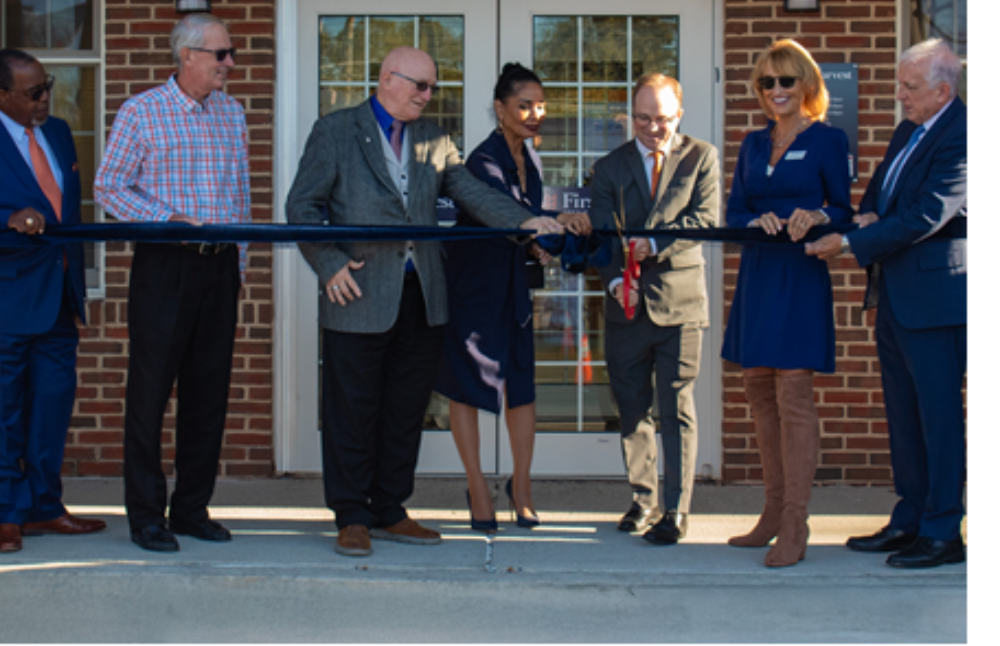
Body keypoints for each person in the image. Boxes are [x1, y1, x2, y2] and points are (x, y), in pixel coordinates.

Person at [285, 47, 563, 557]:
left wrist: (522, 220)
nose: (427, 96)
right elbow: (301, 206)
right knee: (353, 408)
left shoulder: (435, 139)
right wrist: (329, 264)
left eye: (432, 87)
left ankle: (390, 509)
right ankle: (351, 515)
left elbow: (470, 192)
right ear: (387, 78)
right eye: (420, 86)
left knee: (404, 407)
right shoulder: (336, 130)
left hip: (424, 294)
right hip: (359, 290)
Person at [94, 13, 252, 553]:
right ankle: (145, 516)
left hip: (219, 266)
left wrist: (241, 263)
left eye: (229, 54)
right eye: (221, 54)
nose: (230, 64)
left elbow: (240, 195)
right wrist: (165, 220)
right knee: (150, 392)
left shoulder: (232, 114)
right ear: (188, 55)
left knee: (209, 395)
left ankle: (190, 509)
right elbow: (109, 187)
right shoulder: (142, 111)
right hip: (165, 264)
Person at [807, 39, 966, 569]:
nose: (899, 95)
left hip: (936, 301)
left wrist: (851, 243)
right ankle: (911, 517)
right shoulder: (908, 130)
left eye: (909, 88)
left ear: (943, 91)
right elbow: (880, 197)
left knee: (938, 416)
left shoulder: (965, 135)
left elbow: (926, 214)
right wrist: (866, 219)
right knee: (904, 413)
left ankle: (943, 531)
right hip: (896, 292)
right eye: (900, 85)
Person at [434, 63, 592, 531]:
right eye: (524, 105)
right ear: (500, 109)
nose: (534, 113)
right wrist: (551, 226)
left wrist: (549, 233)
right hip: (475, 289)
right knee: (469, 386)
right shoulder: (483, 159)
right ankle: (477, 486)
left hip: (515, 284)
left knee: (521, 387)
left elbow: (529, 220)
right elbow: (510, 214)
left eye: (541, 105)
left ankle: (521, 487)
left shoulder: (530, 156)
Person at [722, 39, 853, 568]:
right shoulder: (753, 144)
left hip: (799, 277)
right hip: (757, 274)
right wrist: (755, 221)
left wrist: (815, 215)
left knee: (794, 395)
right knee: (757, 390)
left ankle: (796, 522)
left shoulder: (828, 140)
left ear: (807, 85)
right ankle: (772, 512)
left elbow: (844, 210)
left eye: (785, 81)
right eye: (766, 83)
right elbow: (732, 213)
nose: (775, 91)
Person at [0, 48, 106, 552]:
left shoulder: (59, 133)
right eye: (34, 92)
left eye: (46, 84)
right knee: (0, 412)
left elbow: (67, 212)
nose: (46, 96)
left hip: (58, 300)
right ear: (0, 96)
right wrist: (2, 217)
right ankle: (7, 513)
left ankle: (45, 507)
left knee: (51, 408)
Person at [588, 73, 721, 546]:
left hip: (681, 305)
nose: (651, 128)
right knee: (632, 408)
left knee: (676, 407)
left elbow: (705, 221)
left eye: (661, 118)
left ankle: (676, 509)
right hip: (626, 305)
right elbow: (602, 237)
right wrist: (616, 277)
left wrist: (653, 244)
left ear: (678, 114)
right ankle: (643, 500)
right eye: (642, 118)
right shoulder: (608, 167)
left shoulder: (701, 157)